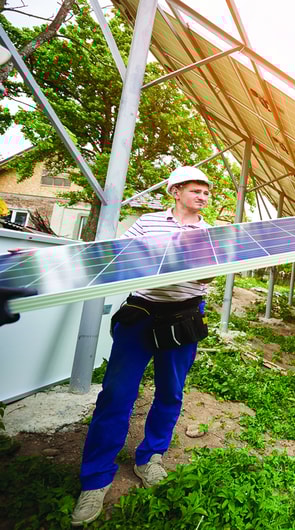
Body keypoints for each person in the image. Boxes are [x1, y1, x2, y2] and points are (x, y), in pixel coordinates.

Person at [72, 166, 214, 526]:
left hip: (183, 317)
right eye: (196, 191)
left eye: (206, 193)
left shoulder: (209, 232)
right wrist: (155, 262)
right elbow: (121, 259)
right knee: (116, 394)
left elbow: (208, 275)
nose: (203, 197)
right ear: (176, 192)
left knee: (171, 392)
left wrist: (193, 265)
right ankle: (96, 480)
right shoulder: (148, 223)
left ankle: (150, 457)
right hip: (141, 314)